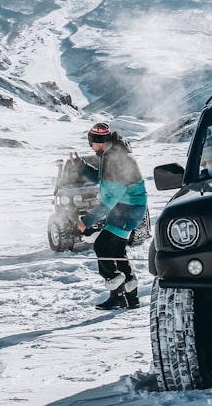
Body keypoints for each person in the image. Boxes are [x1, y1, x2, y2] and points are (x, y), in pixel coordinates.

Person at [69, 121, 148, 310]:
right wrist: (80, 165)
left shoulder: (117, 159)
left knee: (102, 245)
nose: (91, 147)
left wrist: (86, 221)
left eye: (91, 143)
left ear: (99, 141)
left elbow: (111, 197)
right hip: (126, 208)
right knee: (116, 250)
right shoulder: (110, 154)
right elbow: (101, 178)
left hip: (127, 208)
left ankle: (117, 290)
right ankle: (130, 297)